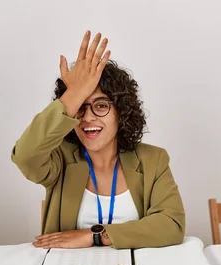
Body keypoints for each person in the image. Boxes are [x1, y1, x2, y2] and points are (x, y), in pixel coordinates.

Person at [12, 31, 185, 249]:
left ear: (121, 112)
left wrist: (95, 235)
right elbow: (25, 156)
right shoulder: (59, 159)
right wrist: (73, 94)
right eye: (80, 107)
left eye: (101, 105)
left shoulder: (153, 160)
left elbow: (171, 224)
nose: (88, 117)